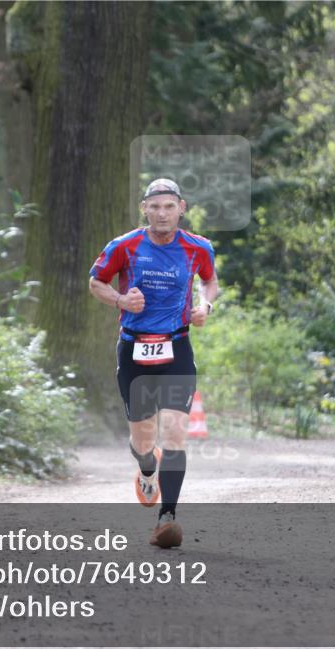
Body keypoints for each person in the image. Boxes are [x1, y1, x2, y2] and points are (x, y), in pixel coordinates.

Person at [87, 178, 217, 548]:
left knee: (176, 433)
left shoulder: (198, 247)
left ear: (182, 208)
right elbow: (95, 281)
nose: (162, 213)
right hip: (134, 350)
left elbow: (210, 281)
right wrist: (119, 300)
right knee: (144, 440)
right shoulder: (124, 246)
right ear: (144, 208)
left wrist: (205, 305)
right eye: (155, 206)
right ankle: (147, 469)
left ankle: (168, 518)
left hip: (177, 348)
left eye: (169, 206)